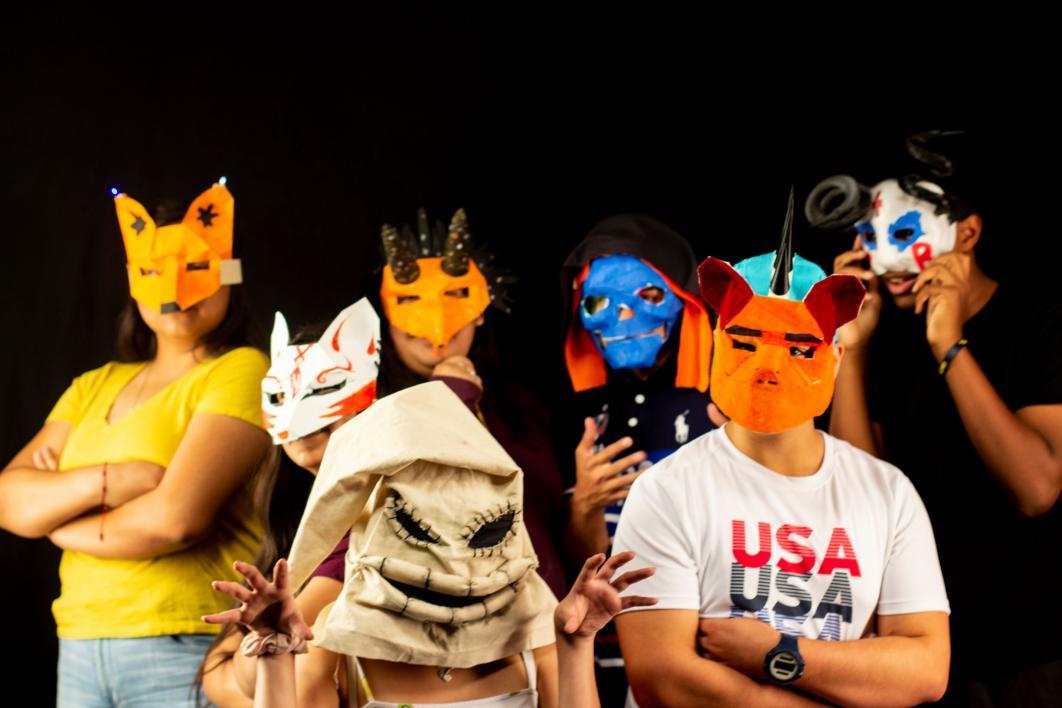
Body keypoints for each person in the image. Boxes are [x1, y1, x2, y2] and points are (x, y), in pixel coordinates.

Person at [613, 196, 952, 707]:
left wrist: (777, 653)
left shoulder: (888, 493)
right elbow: (664, 679)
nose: (769, 368)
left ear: (835, 357)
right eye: (746, 343)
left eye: (798, 349)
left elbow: (925, 669)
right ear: (716, 343)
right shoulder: (665, 491)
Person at [208, 381, 657, 708]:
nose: (452, 559)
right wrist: (274, 656)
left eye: (479, 528)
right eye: (422, 529)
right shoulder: (337, 648)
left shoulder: (532, 637)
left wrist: (576, 645)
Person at [0, 180, 271, 706]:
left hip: (186, 645)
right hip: (78, 642)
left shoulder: (242, 370)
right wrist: (111, 482)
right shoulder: (92, 384)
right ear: (133, 280)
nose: (174, 287)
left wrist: (55, 518)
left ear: (229, 273)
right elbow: (8, 499)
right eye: (153, 270)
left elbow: (174, 520)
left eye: (194, 267)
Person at [822, 132, 1062, 705]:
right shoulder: (883, 339)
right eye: (872, 237)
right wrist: (850, 348)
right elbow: (858, 495)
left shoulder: (1040, 325)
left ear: (968, 233)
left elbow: (1036, 487)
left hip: (1028, 659)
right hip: (916, 655)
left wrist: (949, 346)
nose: (887, 258)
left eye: (904, 234)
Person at [559, 214, 713, 704]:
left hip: (705, 642)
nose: (622, 318)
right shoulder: (585, 412)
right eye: (599, 303)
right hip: (607, 642)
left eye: (646, 296)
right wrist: (585, 503)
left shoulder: (721, 401)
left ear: (682, 301)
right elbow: (585, 563)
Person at [377, 207, 568, 598]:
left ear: (482, 310)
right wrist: (450, 395)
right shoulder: (377, 412)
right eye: (410, 301)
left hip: (547, 616)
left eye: (455, 297)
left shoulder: (520, 405)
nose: (435, 326)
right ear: (387, 315)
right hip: (455, 621)